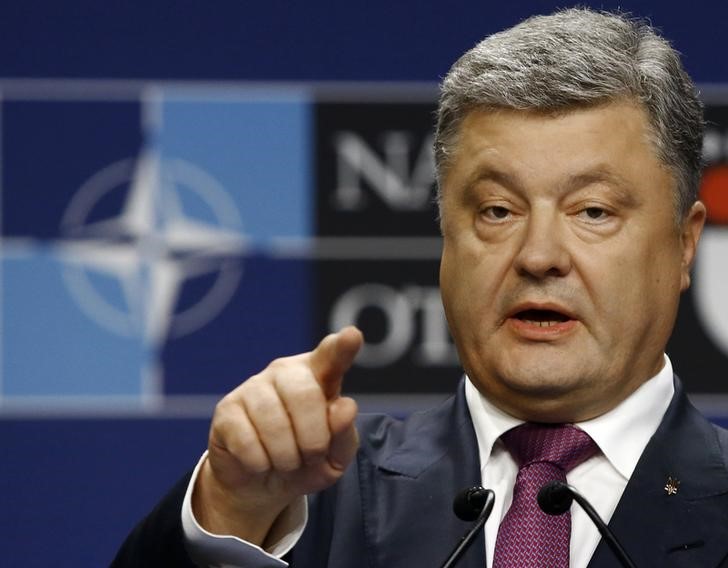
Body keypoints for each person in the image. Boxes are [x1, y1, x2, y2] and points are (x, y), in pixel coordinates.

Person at [113, 7, 728, 567]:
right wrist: (233, 505)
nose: (538, 256)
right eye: (496, 210)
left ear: (683, 244)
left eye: (592, 211)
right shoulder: (308, 501)